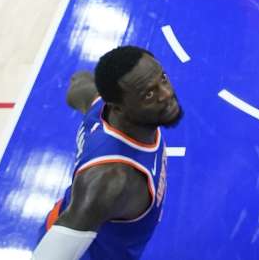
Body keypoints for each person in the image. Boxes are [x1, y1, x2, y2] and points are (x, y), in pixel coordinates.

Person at [34, 47, 181, 260]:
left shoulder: (100, 105)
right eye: (149, 94)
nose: (166, 94)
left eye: (164, 78)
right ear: (118, 108)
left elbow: (79, 84)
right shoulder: (113, 180)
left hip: (77, 213)